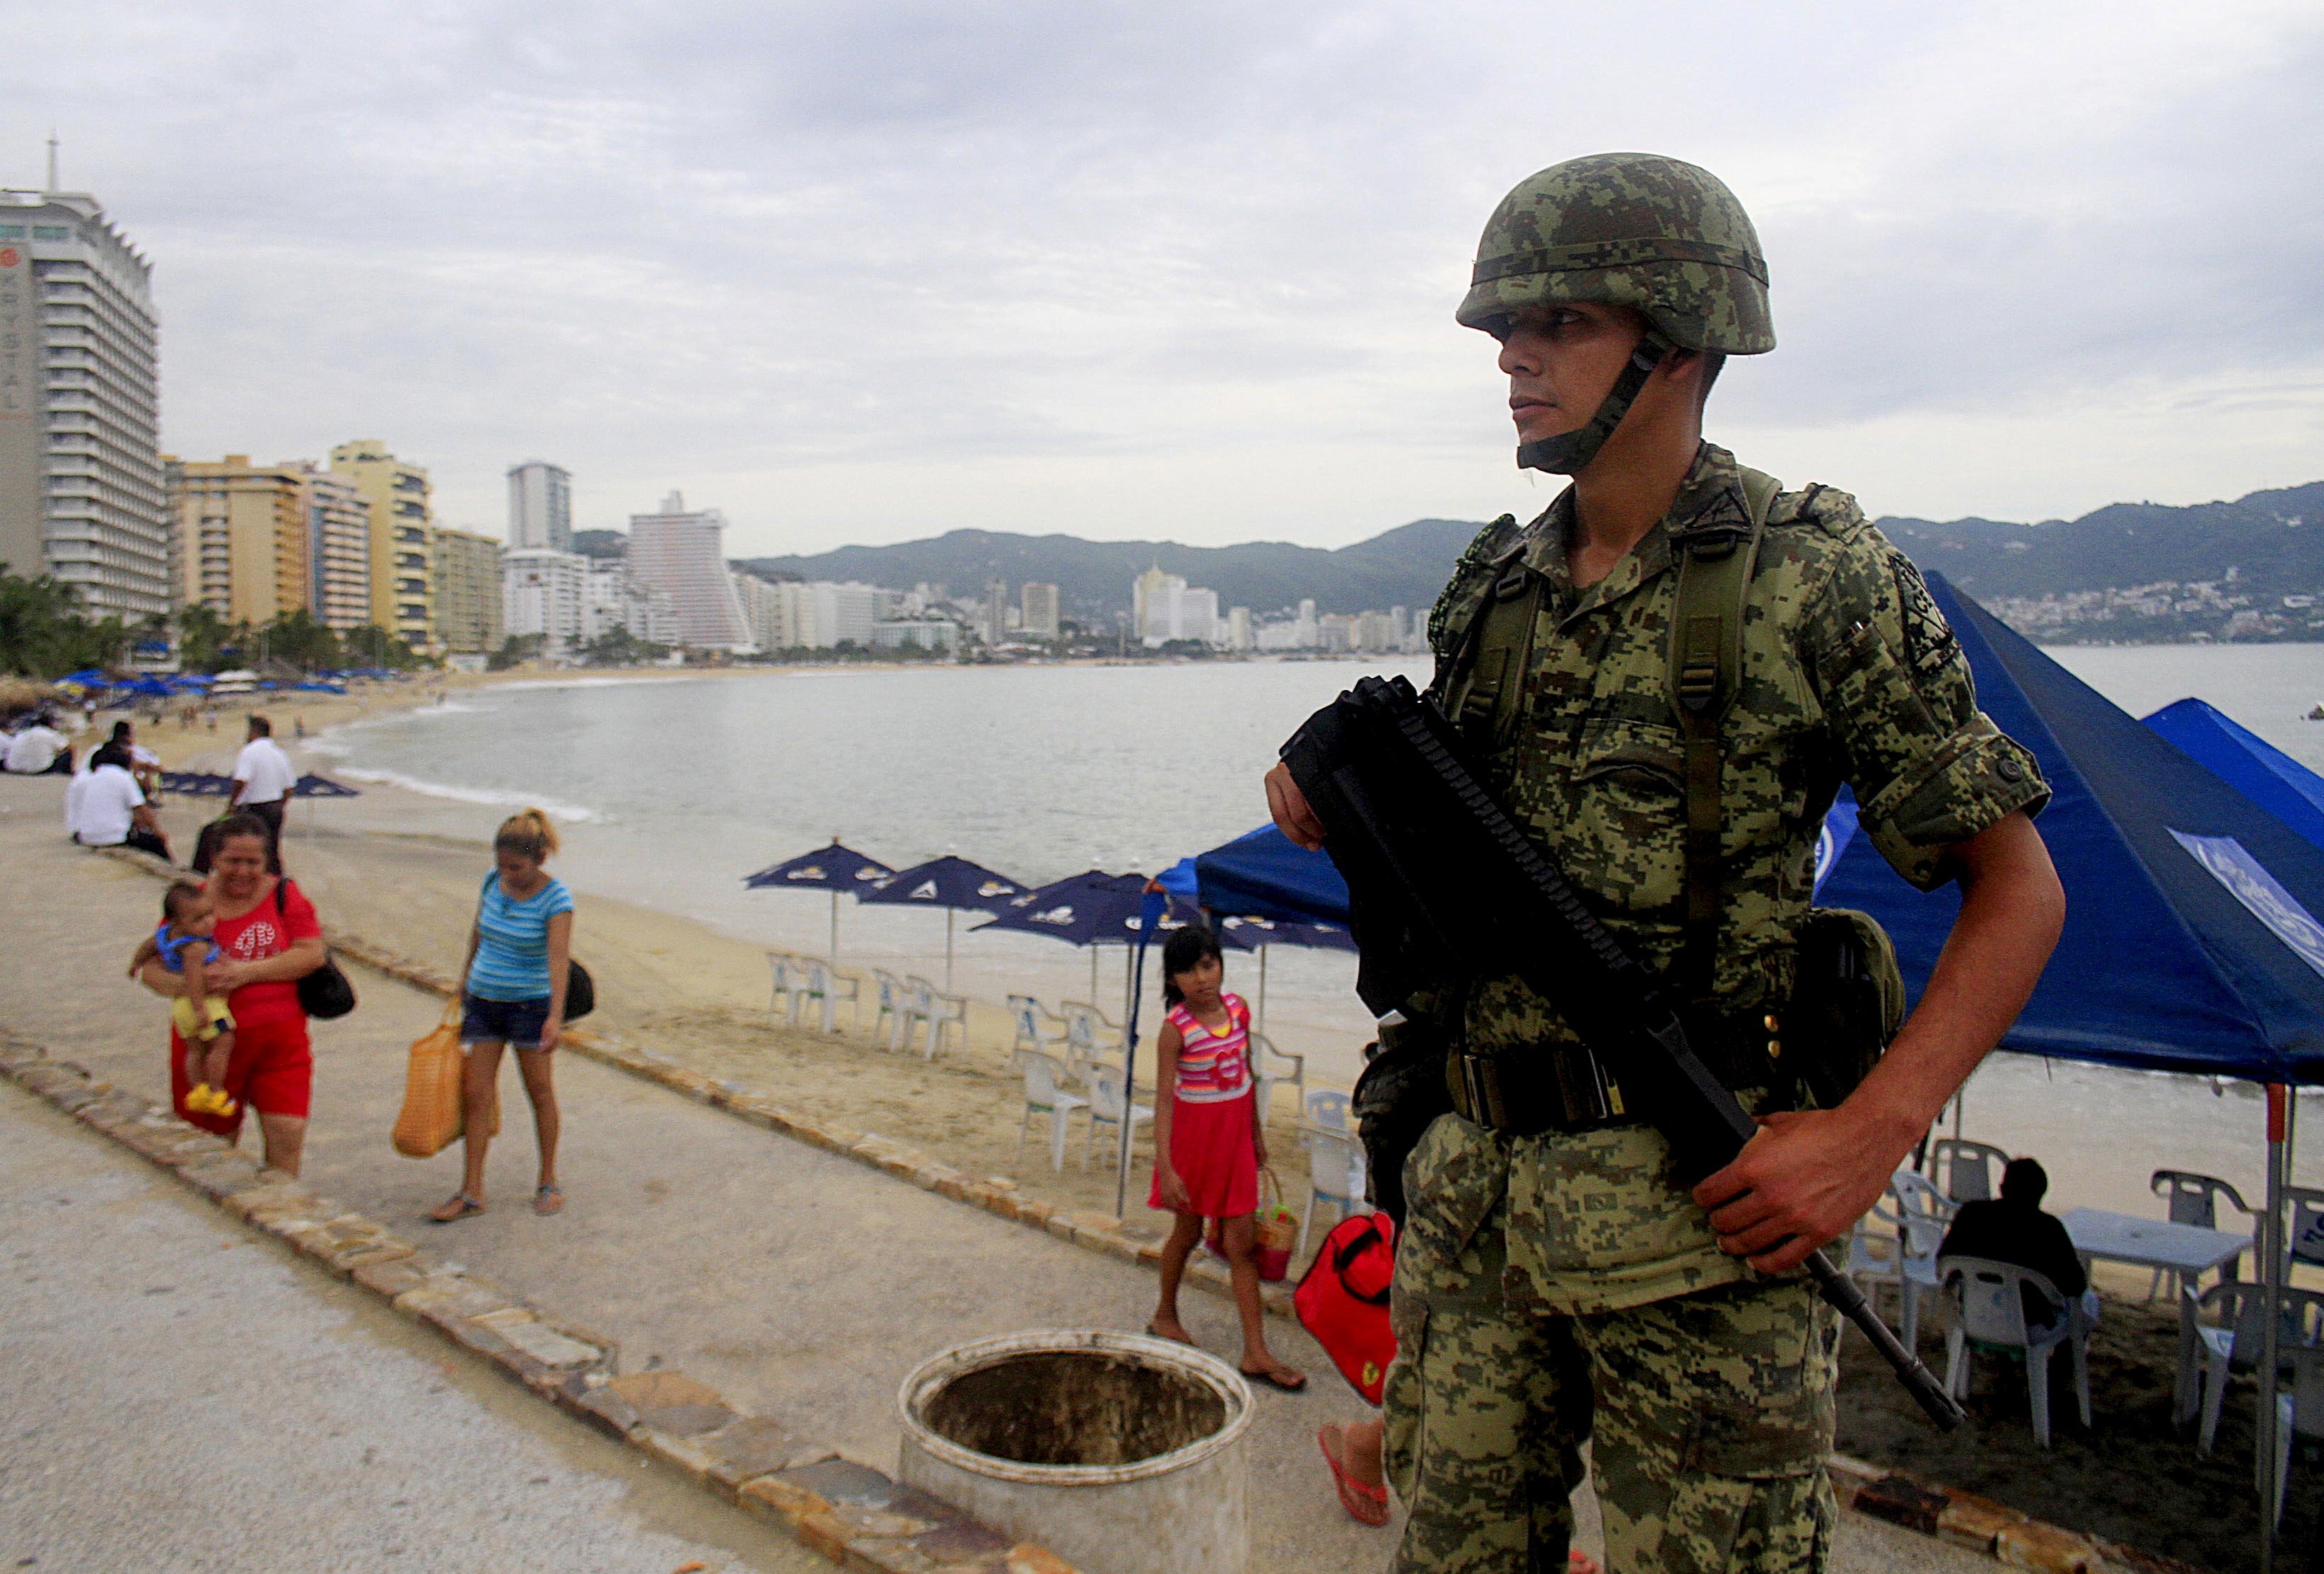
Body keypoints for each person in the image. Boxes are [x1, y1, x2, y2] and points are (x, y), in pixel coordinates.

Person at [1263, 152, 2066, 1573]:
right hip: (1465, 1212)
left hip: (1698, 1232)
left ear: (1680, 338)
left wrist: (1867, 1137)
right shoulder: (1490, 589)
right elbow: (1452, 862)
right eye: (1502, 328)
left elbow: (2015, 891)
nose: (1510, 356)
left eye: (1558, 321)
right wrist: (1328, 789)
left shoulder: (1810, 573)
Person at [1143, 924, 1306, 1393]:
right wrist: (1167, 1167)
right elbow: (1163, 1102)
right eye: (1188, 971)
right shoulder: (1174, 1029)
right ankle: (1164, 1314)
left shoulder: (1237, 1010)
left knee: (1241, 1244)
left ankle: (1255, 1351)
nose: (1200, 978)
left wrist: (1256, 1137)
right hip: (1193, 1146)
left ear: (1220, 964)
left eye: (1207, 965)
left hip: (1234, 1141)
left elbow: (1246, 1077)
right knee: (1187, 1230)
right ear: (1173, 979)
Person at [135, 813, 325, 1174]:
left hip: (279, 1048)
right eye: (232, 861)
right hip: (207, 1049)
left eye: (252, 862)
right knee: (212, 1156)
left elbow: (311, 953)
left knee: (287, 1142)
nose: (242, 871)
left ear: (267, 861)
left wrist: (242, 974)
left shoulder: (286, 896)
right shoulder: (192, 906)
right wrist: (193, 987)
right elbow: (152, 970)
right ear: (213, 859)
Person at [431, 809, 574, 1223]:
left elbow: (558, 960)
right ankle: (471, 1189)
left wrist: (555, 1017)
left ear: (540, 859)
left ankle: (548, 1180)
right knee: (475, 1094)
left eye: (516, 867)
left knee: (540, 1092)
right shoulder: (493, 883)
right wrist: (463, 981)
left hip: (530, 1006)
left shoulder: (557, 900)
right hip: (485, 1001)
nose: (508, 875)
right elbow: (477, 930)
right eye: (502, 865)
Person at [1936, 1158, 2095, 1329]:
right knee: (2087, 1305)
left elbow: (1944, 1264)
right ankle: (2065, 1353)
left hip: (1975, 1315)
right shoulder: (2049, 1228)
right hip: (2030, 1323)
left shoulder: (1970, 1215)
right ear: (2041, 1194)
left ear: (2002, 1188)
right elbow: (2076, 1284)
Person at [146, 881, 240, 1117]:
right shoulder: (196, 947)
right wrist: (200, 1008)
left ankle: (197, 1091)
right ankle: (216, 1092)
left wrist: (135, 964)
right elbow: (194, 979)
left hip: (180, 1007)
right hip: (203, 1003)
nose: (208, 922)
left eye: (210, 914)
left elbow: (146, 948)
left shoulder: (165, 936)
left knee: (195, 1050)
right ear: (178, 923)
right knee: (223, 1042)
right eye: (198, 919)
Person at [76, 743, 171, 861]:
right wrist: (160, 833)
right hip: (113, 838)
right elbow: (141, 809)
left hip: (87, 836)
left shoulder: (94, 777)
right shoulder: (124, 776)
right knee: (156, 843)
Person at [228, 713, 297, 851]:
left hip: (254, 809)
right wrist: (281, 805)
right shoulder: (279, 754)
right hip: (275, 807)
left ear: (254, 731)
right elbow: (289, 787)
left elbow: (241, 781)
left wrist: (232, 804)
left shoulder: (249, 751)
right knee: (272, 849)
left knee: (251, 848)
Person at [5, 713, 69, 774]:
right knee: (67, 754)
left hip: (13, 767)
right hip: (39, 769)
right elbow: (66, 747)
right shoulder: (50, 733)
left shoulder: (22, 734)